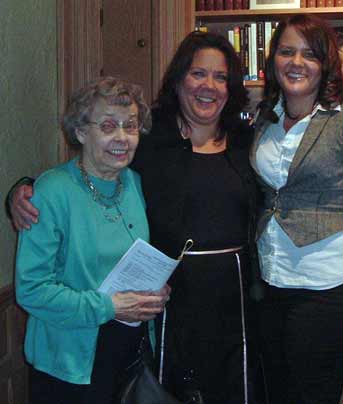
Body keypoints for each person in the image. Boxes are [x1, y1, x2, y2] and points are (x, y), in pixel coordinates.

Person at [8, 32, 261, 404]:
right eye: (108, 126)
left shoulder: (242, 141)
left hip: (191, 322)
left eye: (221, 77)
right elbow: (73, 183)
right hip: (112, 340)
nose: (122, 137)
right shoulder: (147, 145)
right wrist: (22, 190)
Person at [249, 14, 343, 404]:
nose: (296, 62)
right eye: (286, 51)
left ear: (327, 63)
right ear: (273, 60)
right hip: (268, 287)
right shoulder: (266, 121)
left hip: (326, 291)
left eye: (310, 54)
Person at [14, 77, 170, 404]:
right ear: (82, 132)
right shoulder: (52, 191)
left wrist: (153, 288)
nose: (122, 138)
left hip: (130, 355)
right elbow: (31, 289)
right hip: (69, 363)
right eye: (109, 126)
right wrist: (108, 306)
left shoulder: (136, 183)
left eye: (130, 126)